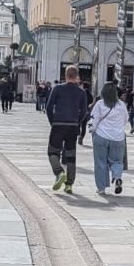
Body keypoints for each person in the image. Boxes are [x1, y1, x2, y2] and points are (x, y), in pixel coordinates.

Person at [45, 65, 86, 195]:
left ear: (66, 75)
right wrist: (77, 122)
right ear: (77, 76)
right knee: (71, 156)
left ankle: (59, 172)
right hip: (72, 126)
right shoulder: (81, 92)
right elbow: (84, 112)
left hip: (58, 124)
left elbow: (49, 107)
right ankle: (69, 185)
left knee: (52, 152)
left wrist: (53, 122)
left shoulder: (57, 88)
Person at [89, 82, 129, 195]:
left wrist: (92, 130)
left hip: (101, 136)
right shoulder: (122, 105)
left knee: (100, 162)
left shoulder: (100, 104)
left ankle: (101, 188)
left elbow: (94, 119)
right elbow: (126, 120)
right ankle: (117, 178)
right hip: (118, 138)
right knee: (117, 161)